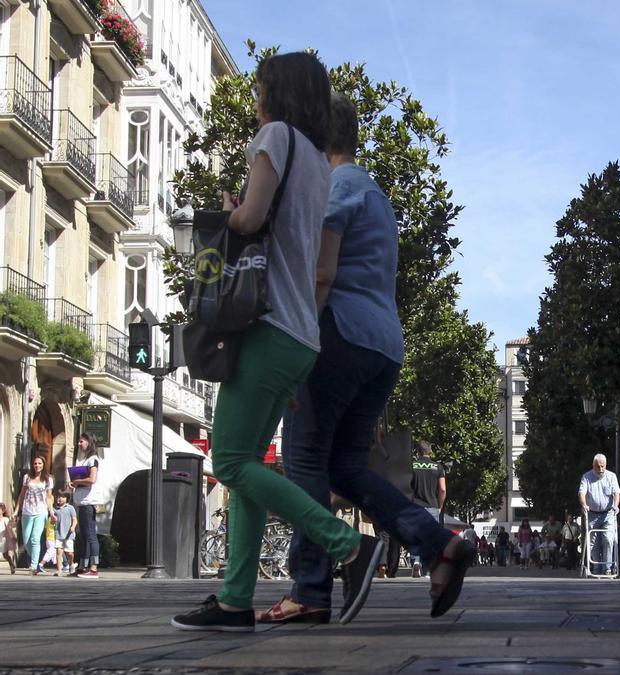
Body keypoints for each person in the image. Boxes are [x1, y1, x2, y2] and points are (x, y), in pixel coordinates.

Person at [171, 53, 382, 632]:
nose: (256, 96)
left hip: (265, 328)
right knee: (246, 473)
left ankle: (348, 545)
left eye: (261, 86)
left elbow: (252, 216)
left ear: (277, 93)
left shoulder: (274, 138)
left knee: (230, 462)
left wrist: (228, 214)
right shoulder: (320, 162)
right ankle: (236, 599)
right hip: (300, 335)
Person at [266, 91, 473, 625]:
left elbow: (322, 271)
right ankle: (436, 543)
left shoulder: (336, 186)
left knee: (305, 459)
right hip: (383, 345)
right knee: (346, 466)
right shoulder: (375, 193)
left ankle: (310, 587)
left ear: (315, 138)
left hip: (338, 333)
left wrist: (297, 340)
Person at [409, 441, 449, 578]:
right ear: (430, 452)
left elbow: (406, 487)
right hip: (432, 506)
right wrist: (440, 506)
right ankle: (427, 569)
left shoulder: (412, 466)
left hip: (415, 506)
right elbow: (443, 489)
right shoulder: (438, 467)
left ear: (417, 452)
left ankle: (416, 560)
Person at [579, 453, 620, 575]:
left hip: (607, 513)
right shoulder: (587, 477)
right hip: (592, 514)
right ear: (593, 465)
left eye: (603, 466)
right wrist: (583, 504)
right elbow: (581, 493)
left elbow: (616, 492)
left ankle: (607, 569)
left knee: (608, 539)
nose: (601, 469)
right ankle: (596, 568)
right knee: (593, 542)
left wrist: (615, 505)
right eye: (598, 466)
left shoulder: (611, 476)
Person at [69, 433, 102, 578]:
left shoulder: (93, 460)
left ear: (88, 442)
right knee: (84, 535)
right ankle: (83, 566)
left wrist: (77, 482)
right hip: (82, 502)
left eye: (81, 441)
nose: (79, 444)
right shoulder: (85, 460)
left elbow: (92, 479)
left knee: (90, 535)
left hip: (88, 502)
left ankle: (93, 568)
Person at [15, 453, 54, 575]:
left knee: (35, 538)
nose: (37, 465)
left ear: (43, 465)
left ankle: (33, 566)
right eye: (35, 463)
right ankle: (36, 561)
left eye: (39, 463)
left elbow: (49, 497)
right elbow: (22, 494)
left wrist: (51, 512)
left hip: (41, 511)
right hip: (27, 511)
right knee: (26, 541)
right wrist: (17, 511)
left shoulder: (48, 479)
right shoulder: (27, 477)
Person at [52, 492, 76, 576]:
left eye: (62, 497)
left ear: (67, 498)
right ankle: (59, 570)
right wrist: (53, 520)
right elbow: (52, 520)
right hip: (58, 533)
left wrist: (73, 527)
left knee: (69, 553)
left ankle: (71, 564)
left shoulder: (70, 508)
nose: (60, 499)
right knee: (59, 552)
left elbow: (74, 519)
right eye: (58, 497)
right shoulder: (54, 509)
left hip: (69, 534)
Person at [1, 504, 17, 574]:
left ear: (3, 511)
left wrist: (12, 520)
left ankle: (11, 564)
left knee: (5, 555)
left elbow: (10, 526)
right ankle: (11, 564)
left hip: (4, 539)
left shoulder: (5, 519)